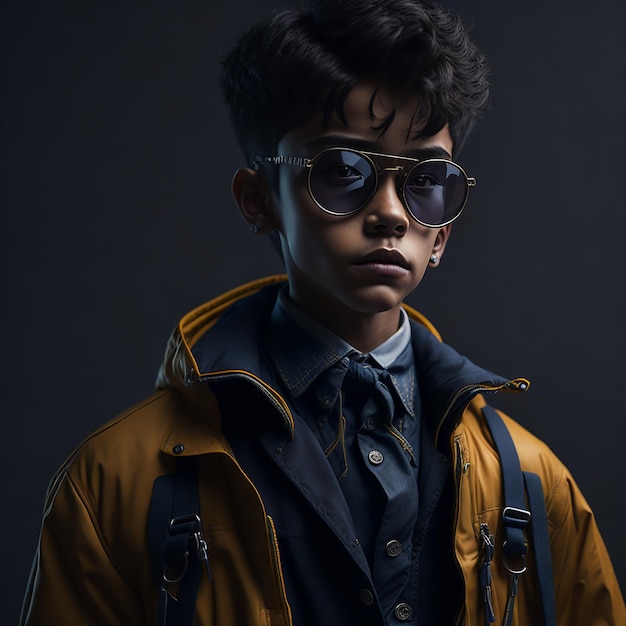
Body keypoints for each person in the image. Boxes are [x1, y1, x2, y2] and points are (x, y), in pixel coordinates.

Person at [20, 0, 625, 624]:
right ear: (259, 199)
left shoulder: (528, 478)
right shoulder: (114, 482)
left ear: (442, 233)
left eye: (425, 178)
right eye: (342, 170)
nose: (391, 212)